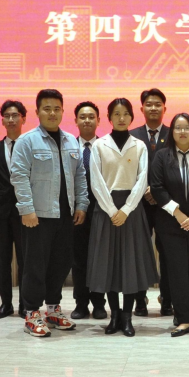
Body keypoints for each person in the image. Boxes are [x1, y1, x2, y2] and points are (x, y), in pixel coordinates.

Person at [10, 89, 89, 337]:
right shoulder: (27, 141)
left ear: (62, 111)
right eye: (47, 108)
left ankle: (53, 309)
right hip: (38, 216)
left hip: (65, 215)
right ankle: (32, 313)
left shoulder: (71, 141)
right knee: (35, 266)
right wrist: (27, 209)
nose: (52, 113)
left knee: (60, 264)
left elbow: (80, 175)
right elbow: (19, 176)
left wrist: (81, 204)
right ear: (37, 112)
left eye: (56, 109)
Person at [86, 98, 158, 337]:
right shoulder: (99, 145)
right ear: (108, 117)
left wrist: (126, 209)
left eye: (125, 113)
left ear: (131, 117)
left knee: (130, 264)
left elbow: (142, 179)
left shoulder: (139, 146)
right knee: (108, 264)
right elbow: (96, 181)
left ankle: (127, 316)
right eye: (116, 113)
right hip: (105, 210)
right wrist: (111, 210)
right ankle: (114, 314)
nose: (121, 118)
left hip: (131, 210)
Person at [149, 112, 189, 337]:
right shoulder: (162, 156)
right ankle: (185, 319)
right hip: (170, 223)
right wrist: (177, 213)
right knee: (177, 269)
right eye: (178, 128)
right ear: (172, 132)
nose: (182, 132)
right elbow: (157, 187)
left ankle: (181, 310)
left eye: (187, 128)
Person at [129, 88, 172, 317]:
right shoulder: (131, 135)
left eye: (158, 104)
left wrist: (158, 191)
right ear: (141, 108)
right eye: (149, 104)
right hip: (138, 204)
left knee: (168, 253)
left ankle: (167, 299)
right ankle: (140, 299)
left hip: (166, 205)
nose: (153, 108)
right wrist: (143, 189)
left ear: (164, 108)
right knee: (139, 252)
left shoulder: (174, 133)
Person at [0, 99, 27, 319]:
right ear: (2, 120)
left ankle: (25, 304)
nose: (11, 120)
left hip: (25, 212)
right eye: (7, 116)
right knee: (2, 260)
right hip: (1, 213)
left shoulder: (30, 146)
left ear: (23, 119)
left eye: (15, 115)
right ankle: (6, 304)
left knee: (25, 260)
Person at [70, 101, 108, 320]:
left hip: (102, 211)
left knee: (100, 258)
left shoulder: (105, 147)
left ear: (98, 121)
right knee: (79, 260)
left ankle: (99, 303)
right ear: (75, 121)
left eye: (91, 117)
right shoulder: (68, 147)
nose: (87, 120)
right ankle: (81, 303)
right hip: (76, 213)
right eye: (82, 117)